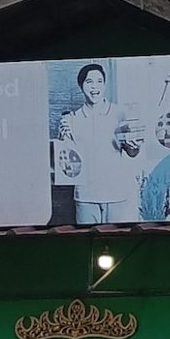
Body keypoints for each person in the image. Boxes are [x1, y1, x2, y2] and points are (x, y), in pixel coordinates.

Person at [57, 61, 144, 225]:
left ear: (104, 85)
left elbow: (132, 153)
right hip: (86, 196)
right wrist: (62, 138)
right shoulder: (72, 119)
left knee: (118, 237)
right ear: (81, 86)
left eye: (99, 81)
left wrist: (135, 145)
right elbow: (67, 162)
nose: (94, 87)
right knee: (87, 238)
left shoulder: (120, 113)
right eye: (89, 82)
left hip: (117, 194)